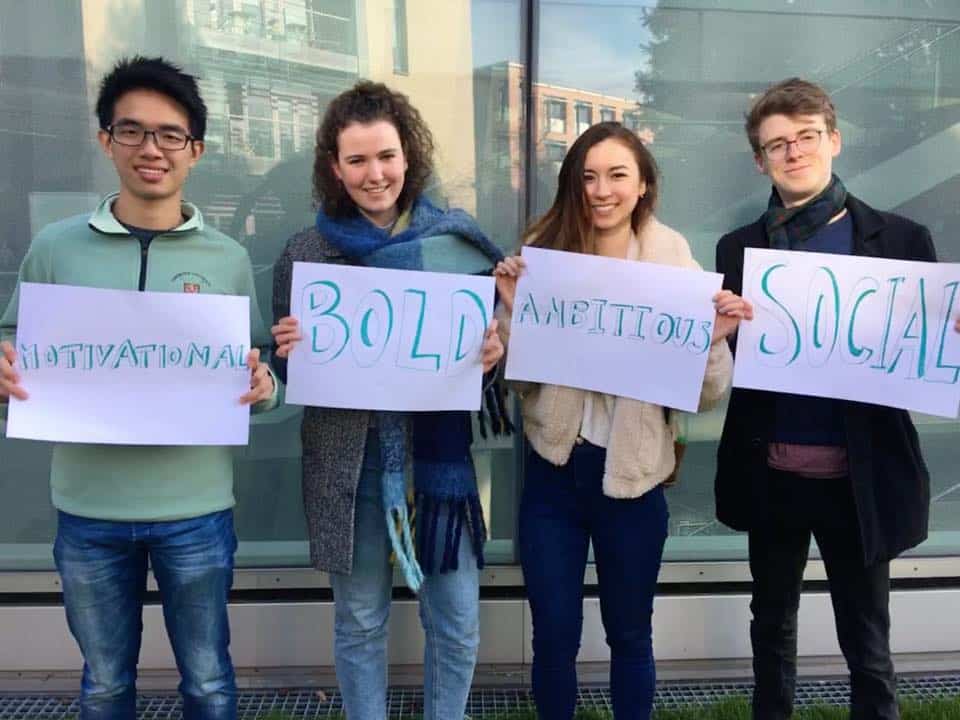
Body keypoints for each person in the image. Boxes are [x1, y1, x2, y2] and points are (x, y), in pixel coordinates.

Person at [0, 57, 277, 720]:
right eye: (132, 131)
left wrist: (263, 386)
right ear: (106, 140)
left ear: (196, 150)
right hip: (88, 511)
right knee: (103, 685)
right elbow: (14, 340)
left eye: (170, 134)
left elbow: (257, 369)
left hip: (197, 510)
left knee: (208, 682)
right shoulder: (56, 248)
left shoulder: (227, 258)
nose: (151, 148)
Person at [714, 77, 960, 720]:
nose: (793, 152)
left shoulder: (902, 241)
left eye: (806, 137)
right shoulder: (737, 248)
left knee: (867, 634)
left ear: (834, 141)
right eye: (776, 145)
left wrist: (951, 332)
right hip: (773, 471)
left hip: (861, 475)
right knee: (771, 625)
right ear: (759, 159)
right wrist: (719, 332)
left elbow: (920, 355)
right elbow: (731, 365)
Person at [493, 121, 749, 720]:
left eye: (616, 175)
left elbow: (706, 397)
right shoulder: (545, 250)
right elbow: (518, 382)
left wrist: (711, 342)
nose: (599, 190)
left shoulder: (674, 262)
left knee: (630, 633)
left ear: (643, 187)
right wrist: (511, 316)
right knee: (553, 634)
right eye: (587, 176)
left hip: (633, 480)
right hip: (554, 473)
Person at [270, 81, 505, 720]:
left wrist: (491, 355)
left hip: (441, 475)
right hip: (351, 468)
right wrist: (286, 351)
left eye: (387, 157)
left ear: (409, 156)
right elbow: (287, 376)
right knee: (360, 622)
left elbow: (489, 371)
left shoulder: (458, 245)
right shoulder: (306, 253)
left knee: (456, 624)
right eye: (357, 160)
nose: (375, 175)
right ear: (334, 167)